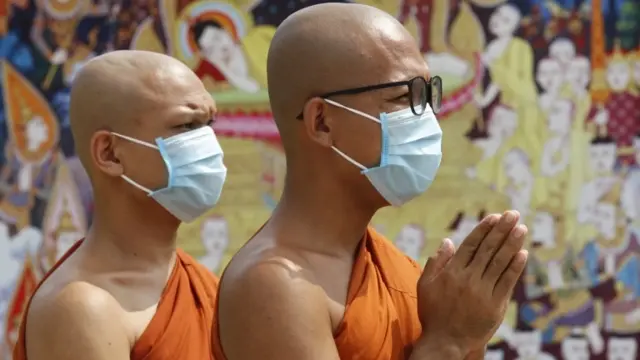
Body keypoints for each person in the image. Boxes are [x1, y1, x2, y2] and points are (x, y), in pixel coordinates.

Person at [212, 4, 528, 360]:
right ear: (322, 122)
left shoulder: (395, 271)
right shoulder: (274, 285)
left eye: (425, 96)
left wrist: (471, 333)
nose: (425, 118)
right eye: (401, 97)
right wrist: (448, 340)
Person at [13, 50, 227, 360]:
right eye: (187, 126)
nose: (209, 145)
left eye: (209, 124)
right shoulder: (83, 309)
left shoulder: (203, 285)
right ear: (110, 153)